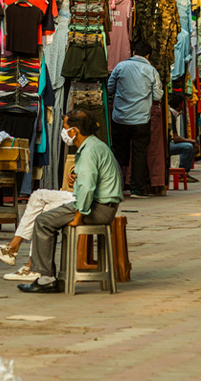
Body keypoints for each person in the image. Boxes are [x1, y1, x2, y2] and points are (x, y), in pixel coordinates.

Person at [18, 109, 123, 293]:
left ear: (74, 131)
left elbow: (88, 187)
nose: (64, 132)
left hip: (98, 208)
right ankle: (47, 275)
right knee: (49, 216)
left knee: (43, 221)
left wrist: (79, 215)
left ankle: (46, 278)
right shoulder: (95, 146)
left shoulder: (89, 151)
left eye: (66, 128)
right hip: (103, 205)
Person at [0, 188, 76, 282]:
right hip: (77, 194)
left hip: (83, 199)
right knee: (37, 196)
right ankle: (13, 248)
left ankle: (33, 267)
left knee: (45, 210)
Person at [108, 40, 163, 198]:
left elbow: (110, 87)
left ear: (133, 53)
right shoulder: (151, 70)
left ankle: (116, 186)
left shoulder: (120, 66)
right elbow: (158, 95)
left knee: (118, 152)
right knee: (139, 154)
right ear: (148, 55)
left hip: (119, 118)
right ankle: (137, 189)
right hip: (140, 120)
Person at [168, 93, 200, 183]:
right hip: (167, 144)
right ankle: (182, 173)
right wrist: (192, 140)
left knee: (190, 146)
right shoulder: (171, 115)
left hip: (168, 143)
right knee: (188, 147)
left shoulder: (171, 113)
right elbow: (175, 138)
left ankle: (184, 172)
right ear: (179, 105)